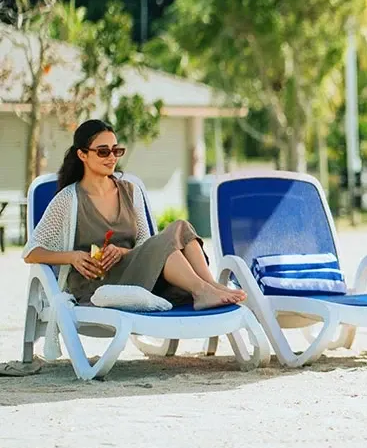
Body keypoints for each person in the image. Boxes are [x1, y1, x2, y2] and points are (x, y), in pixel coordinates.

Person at [23, 119, 246, 310]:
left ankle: (210, 286)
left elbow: (145, 243)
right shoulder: (68, 199)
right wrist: (72, 257)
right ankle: (201, 290)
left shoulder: (130, 191)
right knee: (167, 239)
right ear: (82, 154)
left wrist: (121, 252)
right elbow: (31, 252)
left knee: (180, 226)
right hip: (99, 285)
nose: (112, 157)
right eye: (103, 151)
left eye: (116, 150)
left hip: (138, 274)